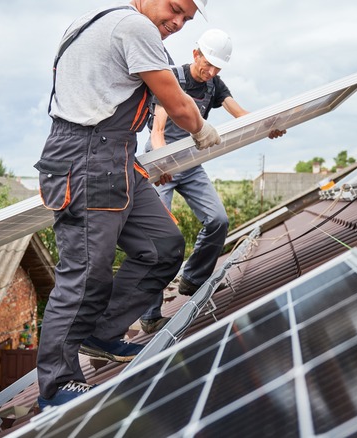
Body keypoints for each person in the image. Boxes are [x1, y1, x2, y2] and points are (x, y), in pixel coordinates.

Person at [34, 0, 220, 410]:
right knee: (85, 273)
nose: (177, 22)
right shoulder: (134, 27)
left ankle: (102, 332)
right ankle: (57, 386)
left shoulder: (101, 23)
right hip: (85, 156)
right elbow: (176, 104)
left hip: (117, 155)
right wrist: (202, 128)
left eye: (186, 19)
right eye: (174, 8)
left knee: (163, 246)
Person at [139, 28, 285, 334]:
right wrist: (163, 163)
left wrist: (268, 125)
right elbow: (158, 132)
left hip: (191, 164)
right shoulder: (172, 78)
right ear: (196, 54)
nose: (212, 71)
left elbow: (240, 114)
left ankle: (192, 279)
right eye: (208, 64)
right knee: (161, 238)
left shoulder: (214, 85)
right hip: (162, 165)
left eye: (218, 67)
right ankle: (150, 314)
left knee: (218, 219)